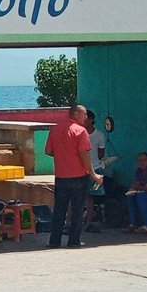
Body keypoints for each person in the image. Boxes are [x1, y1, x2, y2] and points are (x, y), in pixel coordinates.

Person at [45, 105, 103, 248]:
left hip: (61, 176)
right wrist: (93, 174)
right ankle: (74, 241)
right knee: (77, 209)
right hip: (78, 176)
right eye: (84, 114)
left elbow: (49, 151)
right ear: (76, 114)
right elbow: (84, 154)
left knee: (59, 209)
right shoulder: (81, 131)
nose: (86, 118)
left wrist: (63, 156)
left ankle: (54, 241)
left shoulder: (56, 129)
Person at [122, 152, 147, 234]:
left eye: (144, 160)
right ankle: (133, 223)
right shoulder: (139, 171)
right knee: (130, 196)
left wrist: (140, 188)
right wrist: (143, 188)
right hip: (146, 194)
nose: (141, 162)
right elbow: (135, 185)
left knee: (141, 196)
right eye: (139, 161)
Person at [83, 110, 106, 232]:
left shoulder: (100, 135)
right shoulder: (79, 133)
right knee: (77, 197)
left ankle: (88, 222)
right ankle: (69, 222)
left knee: (90, 197)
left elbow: (101, 153)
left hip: (95, 168)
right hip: (80, 168)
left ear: (91, 120)